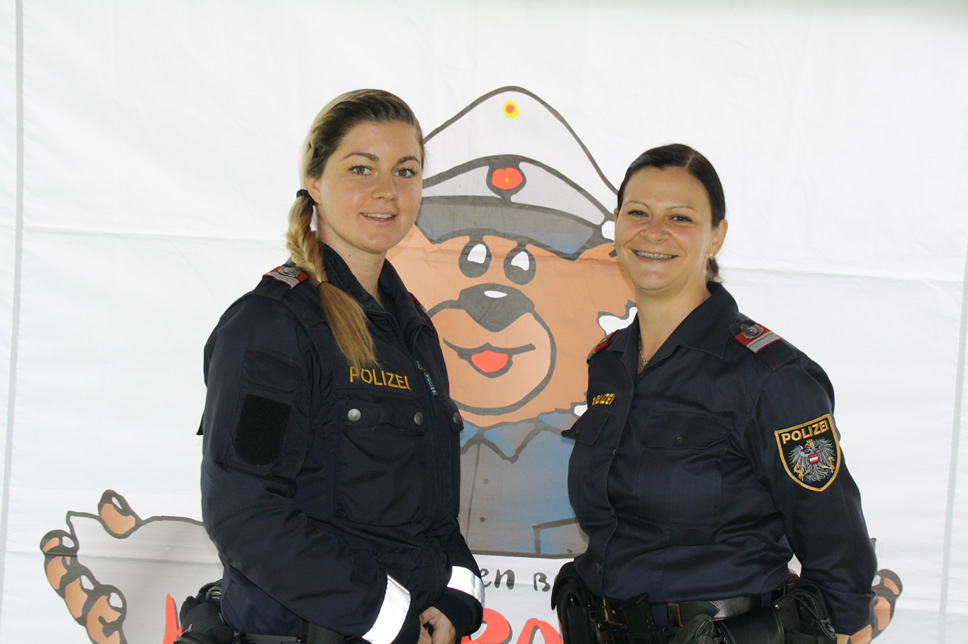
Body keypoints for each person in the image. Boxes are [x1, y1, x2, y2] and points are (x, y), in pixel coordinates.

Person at [552, 144, 875, 644]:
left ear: (717, 235)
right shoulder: (610, 363)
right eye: (637, 213)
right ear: (616, 224)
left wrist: (849, 625)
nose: (653, 231)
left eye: (679, 217)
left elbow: (836, 542)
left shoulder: (770, 377)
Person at [197, 89, 484, 644]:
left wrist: (455, 597)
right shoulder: (272, 326)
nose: (387, 190)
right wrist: (391, 619)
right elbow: (246, 514)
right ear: (315, 182)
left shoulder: (413, 331)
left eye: (405, 171)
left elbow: (434, 516)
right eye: (361, 168)